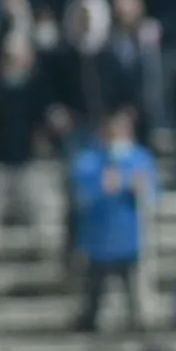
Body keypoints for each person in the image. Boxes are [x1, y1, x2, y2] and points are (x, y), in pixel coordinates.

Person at [71, 109, 158, 332]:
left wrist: (135, 187)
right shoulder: (89, 159)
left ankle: (138, 325)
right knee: (94, 290)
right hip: (98, 238)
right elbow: (81, 195)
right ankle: (88, 324)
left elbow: (151, 193)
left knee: (134, 291)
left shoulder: (139, 157)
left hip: (130, 237)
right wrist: (103, 187)